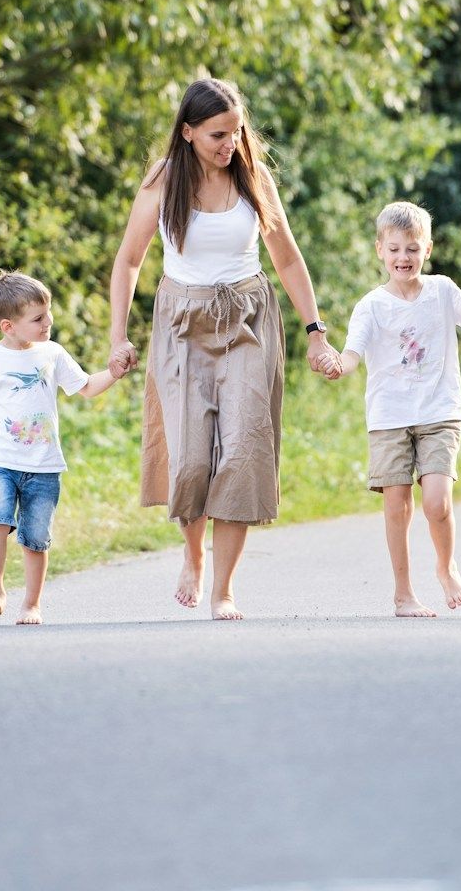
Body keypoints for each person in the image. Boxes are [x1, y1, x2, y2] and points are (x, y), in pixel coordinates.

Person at [107, 78, 338, 620]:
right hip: (182, 322)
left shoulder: (253, 178)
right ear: (187, 132)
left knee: (243, 451)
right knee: (189, 457)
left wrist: (315, 329)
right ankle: (193, 556)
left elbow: (286, 258)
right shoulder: (163, 182)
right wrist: (118, 336)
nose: (228, 143)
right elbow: (128, 261)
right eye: (216, 134)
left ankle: (224, 588)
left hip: (249, 321)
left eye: (235, 132)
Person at [322, 201, 461, 617]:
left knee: (436, 503)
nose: (403, 258)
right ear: (379, 249)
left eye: (412, 249)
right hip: (389, 418)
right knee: (396, 504)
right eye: (394, 249)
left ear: (427, 250)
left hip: (439, 412)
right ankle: (403, 594)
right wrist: (338, 365)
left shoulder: (443, 291)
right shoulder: (371, 306)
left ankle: (446, 567)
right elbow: (353, 353)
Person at [0, 272, 126, 625]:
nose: (48, 322)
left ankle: (32, 603)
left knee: (36, 537)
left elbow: (85, 387)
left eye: (48, 313)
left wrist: (113, 373)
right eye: (38, 318)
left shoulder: (52, 354)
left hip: (44, 464)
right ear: (8, 326)